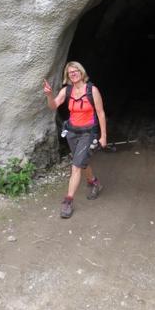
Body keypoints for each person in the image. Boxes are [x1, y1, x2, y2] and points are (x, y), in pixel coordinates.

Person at [43, 61, 107, 218]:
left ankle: (68, 201)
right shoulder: (67, 91)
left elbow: (100, 113)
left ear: (81, 72)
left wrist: (103, 136)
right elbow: (53, 106)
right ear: (67, 75)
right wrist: (49, 95)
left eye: (76, 70)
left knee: (76, 165)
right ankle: (94, 183)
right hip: (72, 132)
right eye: (70, 72)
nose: (73, 73)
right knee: (82, 161)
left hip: (88, 133)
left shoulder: (93, 90)